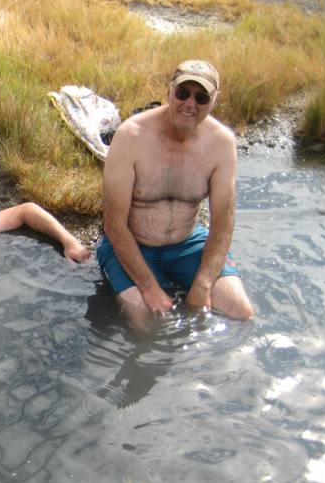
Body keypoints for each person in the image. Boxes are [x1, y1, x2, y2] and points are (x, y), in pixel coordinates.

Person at [99, 59, 254, 331]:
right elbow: (113, 223)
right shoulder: (131, 136)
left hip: (187, 242)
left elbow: (223, 222)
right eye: (183, 93)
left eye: (201, 97)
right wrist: (149, 287)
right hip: (133, 243)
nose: (190, 104)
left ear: (213, 101)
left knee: (241, 312)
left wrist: (202, 284)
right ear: (169, 92)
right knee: (150, 328)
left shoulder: (221, 143)